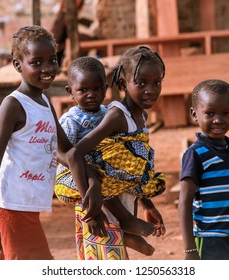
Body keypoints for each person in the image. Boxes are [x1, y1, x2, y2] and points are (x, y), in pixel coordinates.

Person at [0, 25, 106, 260]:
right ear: (18, 65)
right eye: (36, 62)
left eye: (52, 60)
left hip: (29, 205)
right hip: (12, 207)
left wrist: (91, 178)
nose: (47, 69)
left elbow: (65, 151)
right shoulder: (13, 105)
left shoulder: (45, 102)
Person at [58, 46, 167, 260]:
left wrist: (147, 202)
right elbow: (72, 154)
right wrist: (92, 202)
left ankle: (125, 231)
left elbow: (138, 163)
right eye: (141, 83)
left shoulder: (136, 116)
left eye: (157, 82)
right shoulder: (115, 116)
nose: (150, 90)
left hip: (118, 191)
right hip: (89, 191)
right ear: (122, 84)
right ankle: (125, 225)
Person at [178, 79, 229, 260]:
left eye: (226, 113)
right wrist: (190, 249)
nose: (218, 120)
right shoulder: (196, 154)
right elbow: (184, 202)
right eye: (210, 113)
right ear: (194, 114)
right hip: (211, 240)